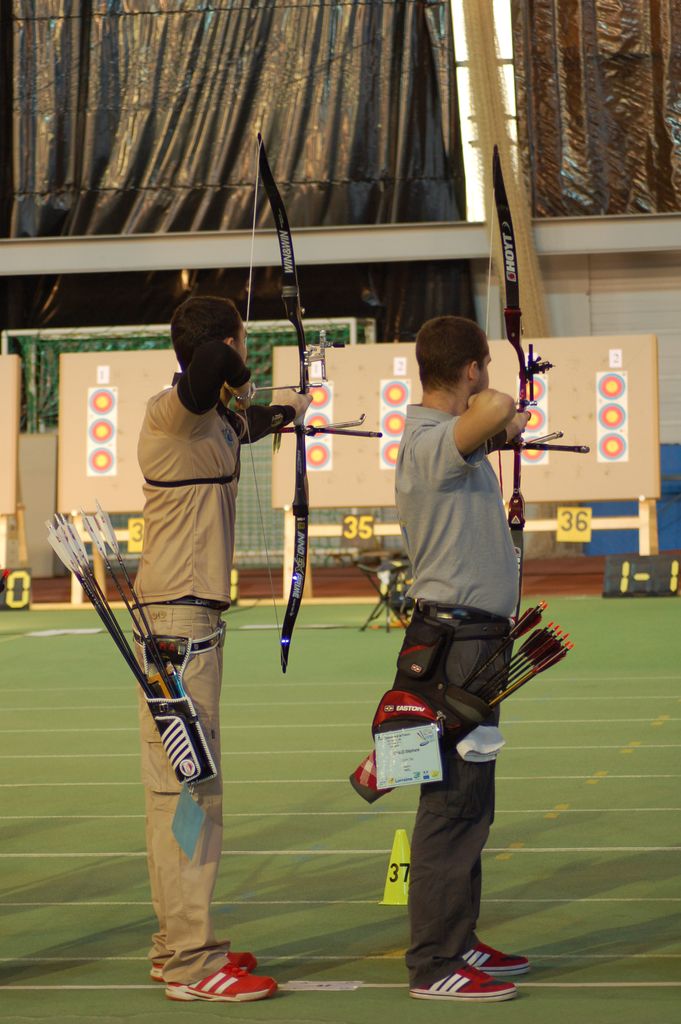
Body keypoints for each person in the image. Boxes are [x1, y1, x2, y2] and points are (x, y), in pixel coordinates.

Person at [135, 294, 311, 1004]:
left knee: (180, 790)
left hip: (187, 627)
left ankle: (173, 945)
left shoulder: (207, 422)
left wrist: (284, 409)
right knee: (189, 791)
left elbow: (245, 425)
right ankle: (191, 963)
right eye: (243, 340)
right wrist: (244, 374)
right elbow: (211, 362)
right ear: (229, 344)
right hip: (176, 630)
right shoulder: (172, 413)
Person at [395, 315, 531, 1003]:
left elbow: (496, 421)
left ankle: (459, 937)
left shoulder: (452, 444)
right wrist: (502, 414)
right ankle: (433, 962)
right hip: (454, 651)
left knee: (470, 801)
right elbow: (500, 407)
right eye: (485, 366)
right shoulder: (430, 442)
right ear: (472, 369)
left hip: (470, 646)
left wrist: (501, 431)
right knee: (449, 804)